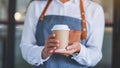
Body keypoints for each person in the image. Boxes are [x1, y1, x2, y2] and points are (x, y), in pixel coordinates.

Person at [20, 0, 105, 68]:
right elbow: (25, 46)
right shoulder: (36, 6)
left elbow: (96, 55)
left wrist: (79, 50)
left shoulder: (94, 10)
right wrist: (43, 52)